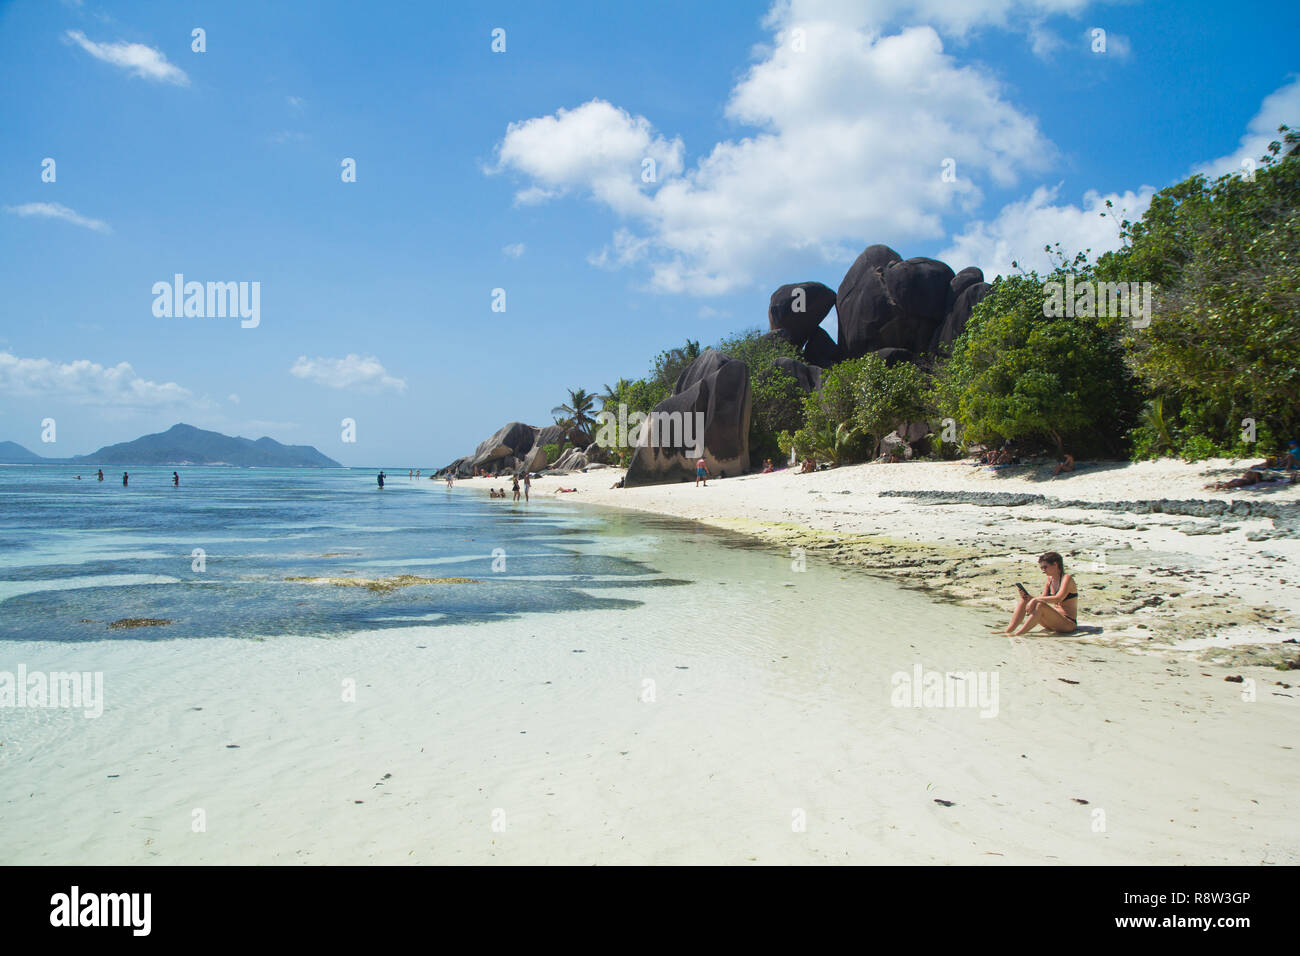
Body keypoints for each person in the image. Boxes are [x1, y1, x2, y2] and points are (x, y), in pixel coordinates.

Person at [1005, 551, 1077, 635]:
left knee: (1039, 605)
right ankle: (1008, 631)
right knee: (1024, 600)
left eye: (1045, 567)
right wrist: (1029, 598)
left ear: (1055, 564)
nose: (1043, 570)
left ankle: (1019, 634)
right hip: (1052, 621)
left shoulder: (1067, 578)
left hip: (1067, 623)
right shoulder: (1050, 580)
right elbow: (1043, 599)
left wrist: (1034, 599)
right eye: (1041, 568)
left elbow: (1058, 598)